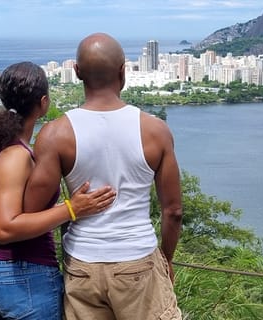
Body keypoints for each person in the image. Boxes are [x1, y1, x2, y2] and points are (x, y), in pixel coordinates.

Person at [24, 33, 183, 320]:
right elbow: (173, 211)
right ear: (124, 71)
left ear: (76, 72)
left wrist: (72, 207)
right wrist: (166, 260)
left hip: (83, 266)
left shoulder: (55, 134)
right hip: (138, 261)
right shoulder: (155, 130)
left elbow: (32, 211)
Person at [0, 61, 116, 320]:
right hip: (25, 280)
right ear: (44, 102)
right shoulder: (16, 155)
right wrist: (72, 208)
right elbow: (5, 228)